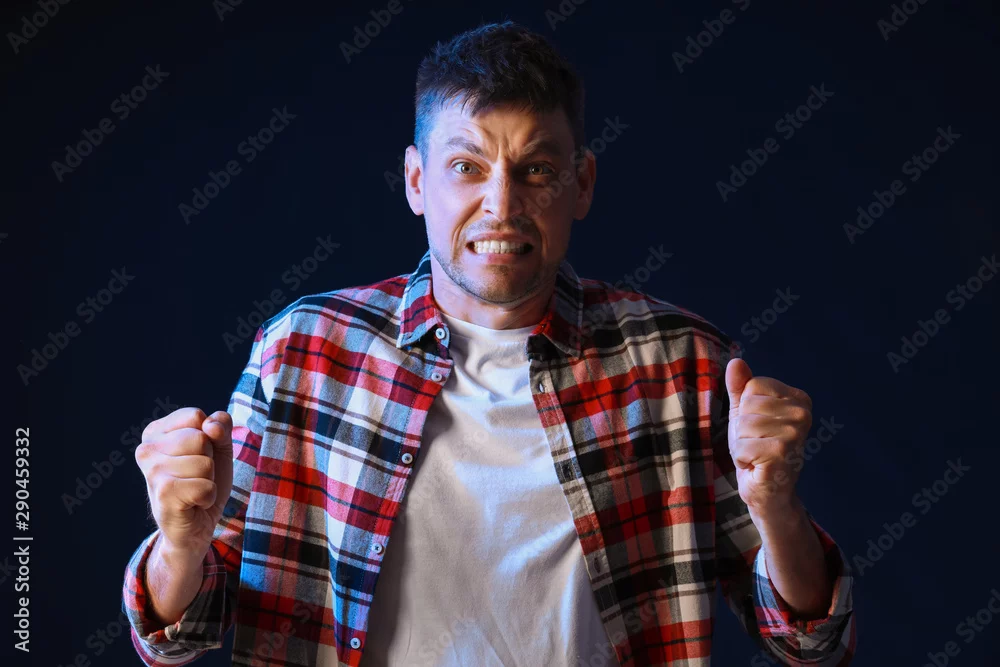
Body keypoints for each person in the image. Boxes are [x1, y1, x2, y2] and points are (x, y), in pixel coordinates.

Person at [121, 20, 855, 667]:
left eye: (536, 170)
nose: (502, 205)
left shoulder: (681, 365)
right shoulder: (305, 352)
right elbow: (176, 634)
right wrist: (181, 542)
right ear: (416, 181)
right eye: (466, 167)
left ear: (582, 184)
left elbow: (808, 642)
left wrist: (776, 506)